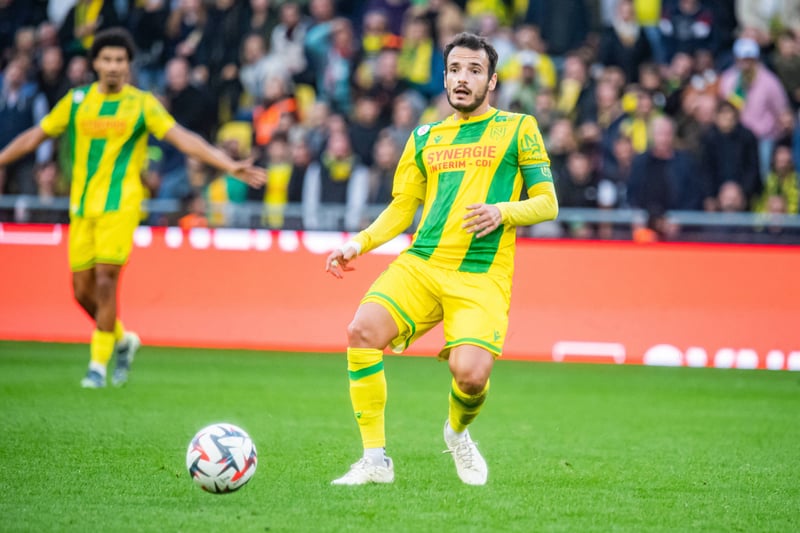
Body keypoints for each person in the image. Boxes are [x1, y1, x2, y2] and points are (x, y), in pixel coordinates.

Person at [324, 32, 558, 486]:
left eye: (474, 70)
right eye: (454, 70)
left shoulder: (519, 128)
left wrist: (502, 211)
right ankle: (375, 460)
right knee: (361, 331)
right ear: (445, 77)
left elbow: (548, 203)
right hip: (423, 263)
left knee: (469, 376)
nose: (462, 79)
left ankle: (457, 432)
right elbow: (402, 208)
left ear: (492, 81)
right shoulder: (424, 137)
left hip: (481, 274)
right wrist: (359, 243)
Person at [0, 28, 266, 388]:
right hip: (82, 207)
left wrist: (227, 164)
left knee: (106, 281)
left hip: (121, 206)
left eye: (120, 60)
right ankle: (123, 340)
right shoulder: (77, 101)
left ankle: (97, 366)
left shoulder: (142, 104)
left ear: (128, 65)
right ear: (95, 63)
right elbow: (36, 135)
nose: (113, 66)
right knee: (82, 292)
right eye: (106, 59)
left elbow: (183, 138)